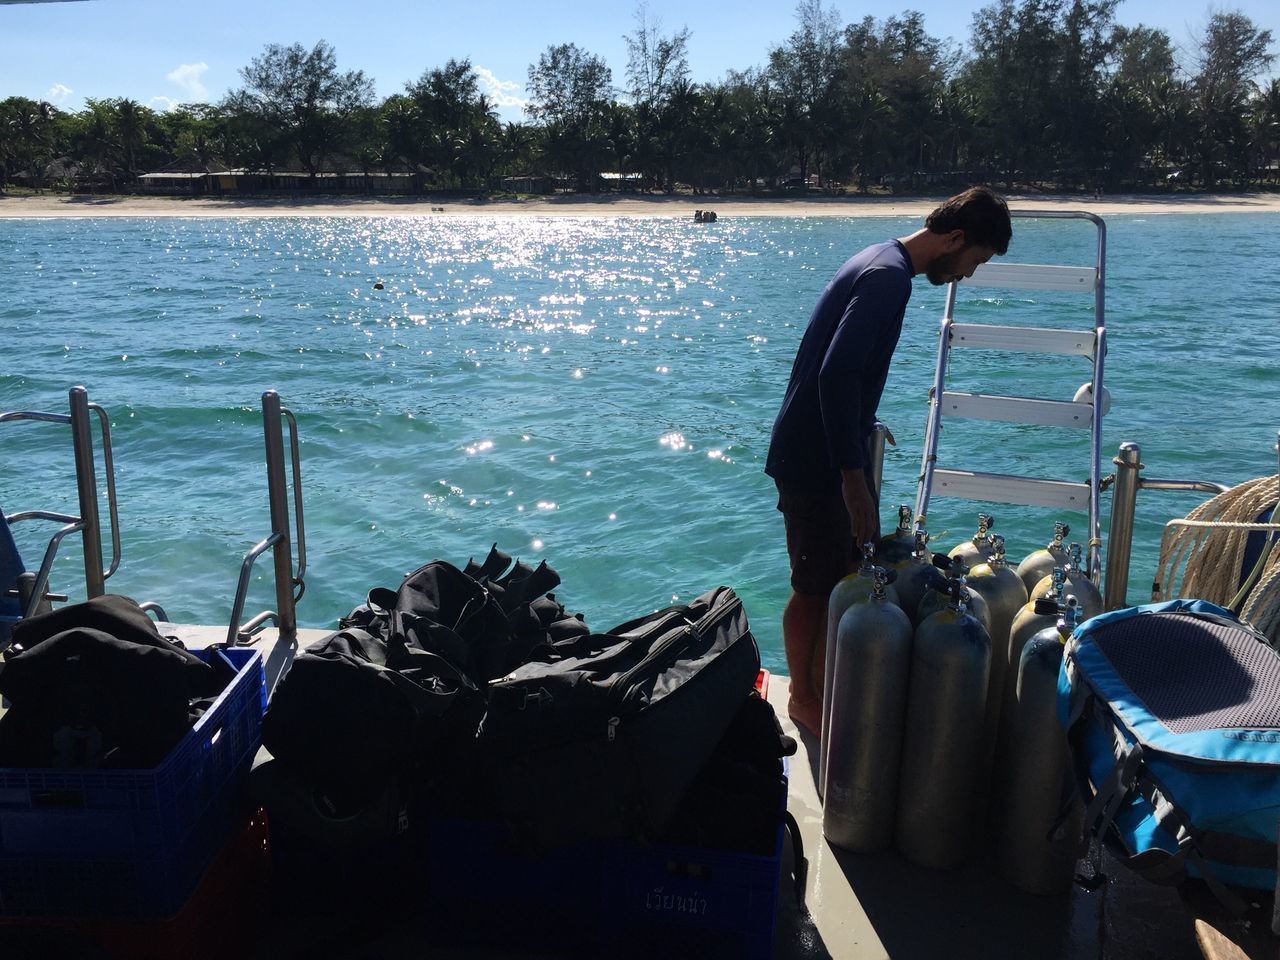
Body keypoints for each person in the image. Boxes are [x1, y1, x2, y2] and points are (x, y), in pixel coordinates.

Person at [765, 186, 1012, 735]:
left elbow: (843, 374)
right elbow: (835, 373)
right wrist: (854, 480)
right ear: (954, 238)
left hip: (828, 448)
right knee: (814, 587)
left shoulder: (878, 259)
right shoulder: (888, 279)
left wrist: (864, 426)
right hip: (816, 460)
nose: (968, 274)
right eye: (975, 260)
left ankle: (821, 688)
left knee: (840, 574)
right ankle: (805, 700)